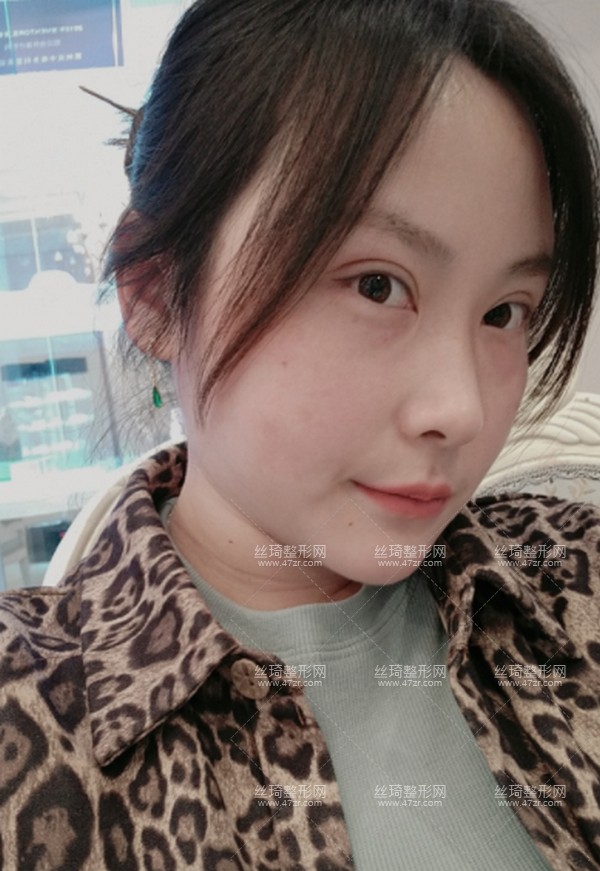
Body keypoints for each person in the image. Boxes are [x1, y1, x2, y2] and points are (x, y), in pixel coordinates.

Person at [1, 0, 599, 868]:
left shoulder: (577, 580)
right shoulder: (29, 702)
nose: (463, 408)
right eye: (377, 286)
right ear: (156, 292)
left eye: (505, 311)